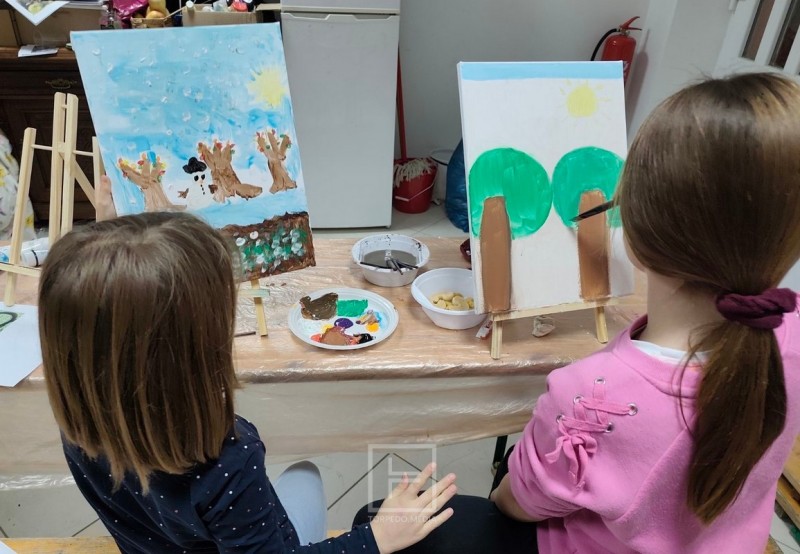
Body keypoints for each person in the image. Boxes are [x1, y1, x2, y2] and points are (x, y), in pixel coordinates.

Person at [488, 72, 800, 552]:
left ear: (633, 231)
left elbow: (517, 502)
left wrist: (503, 490)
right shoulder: (791, 333)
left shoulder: (591, 395)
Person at [39, 210, 457, 554]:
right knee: (307, 475)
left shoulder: (79, 419)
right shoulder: (226, 461)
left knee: (302, 476)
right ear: (194, 352)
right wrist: (376, 538)